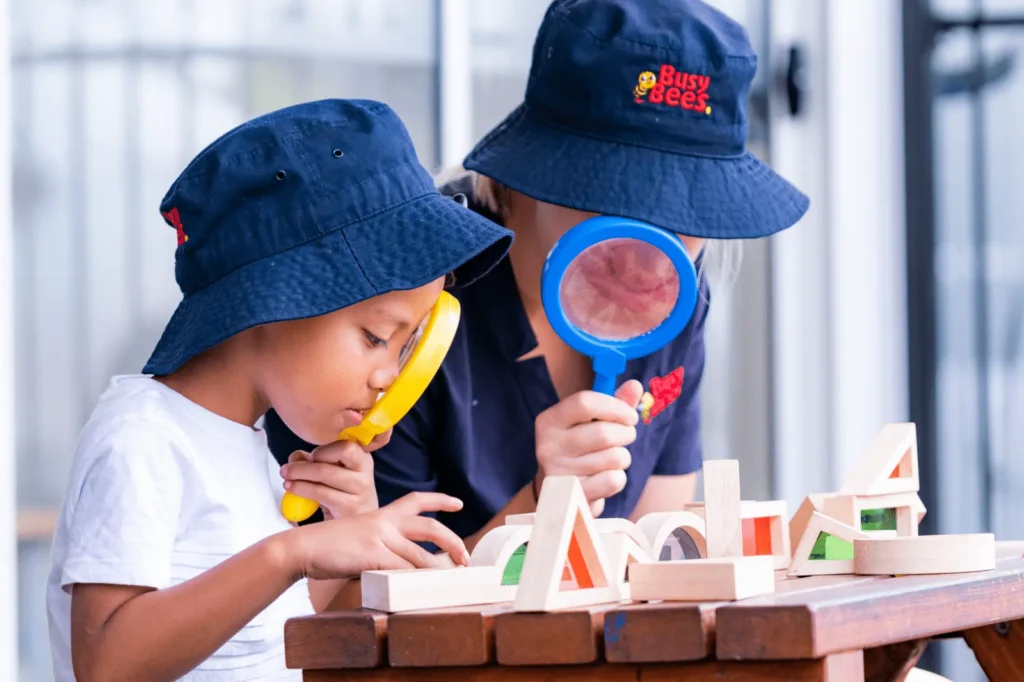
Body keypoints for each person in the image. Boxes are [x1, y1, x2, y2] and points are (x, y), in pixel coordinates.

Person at [267, 0, 809, 559]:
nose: (644, 258)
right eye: (618, 199)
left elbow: (654, 555)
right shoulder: (399, 298)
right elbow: (362, 608)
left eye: (688, 208)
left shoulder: (673, 300)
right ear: (538, 172)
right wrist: (539, 505)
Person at [44, 99, 513, 681]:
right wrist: (294, 553)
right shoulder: (143, 439)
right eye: (375, 337)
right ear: (272, 303)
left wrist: (351, 533)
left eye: (404, 347)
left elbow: (285, 637)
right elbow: (107, 663)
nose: (389, 376)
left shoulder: (247, 444)